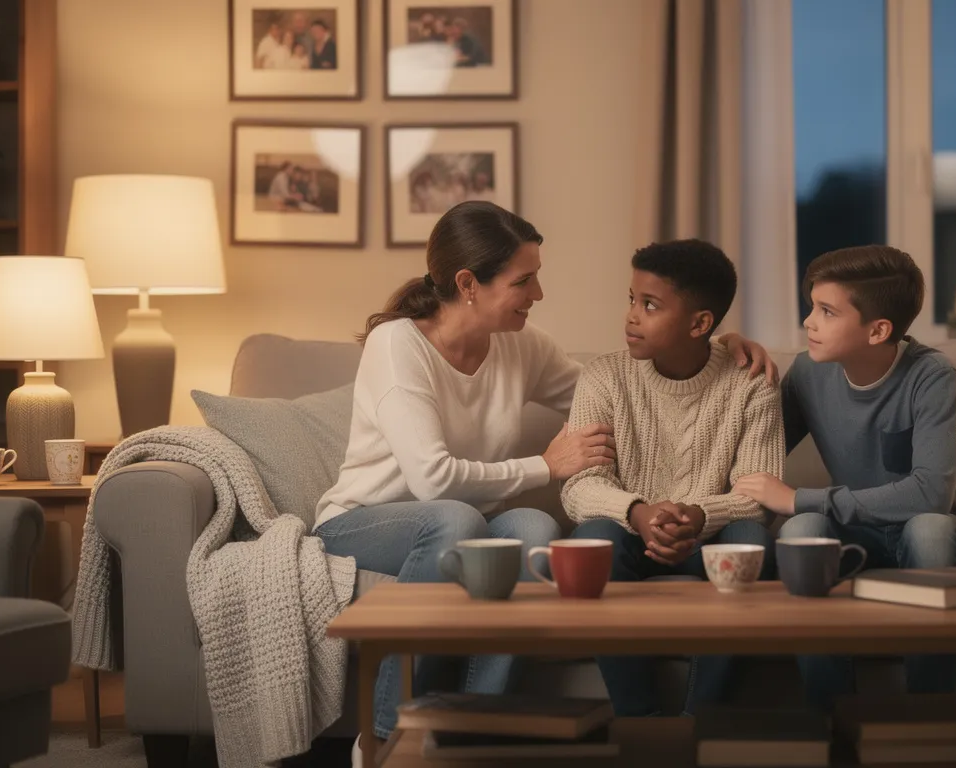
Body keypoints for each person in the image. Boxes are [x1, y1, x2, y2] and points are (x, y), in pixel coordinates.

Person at [312, 202, 778, 760]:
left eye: (536, 276)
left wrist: (716, 346)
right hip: (364, 521)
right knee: (454, 519)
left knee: (534, 528)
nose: (538, 293)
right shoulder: (397, 345)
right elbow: (432, 481)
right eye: (523, 281)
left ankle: (470, 724)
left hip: (463, 521)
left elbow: (625, 388)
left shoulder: (521, 343)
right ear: (468, 284)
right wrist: (547, 466)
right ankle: (387, 735)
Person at [732, 245, 956, 710]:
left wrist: (801, 498)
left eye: (827, 311)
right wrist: (721, 353)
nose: (808, 322)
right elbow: (752, 448)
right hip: (861, 532)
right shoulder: (808, 372)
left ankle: (930, 714)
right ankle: (831, 711)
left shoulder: (933, 376)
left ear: (878, 330)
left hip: (944, 531)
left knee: (927, 529)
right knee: (801, 530)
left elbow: (931, 495)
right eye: (812, 306)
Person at [562, 239, 784, 717]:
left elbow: (760, 495)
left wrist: (699, 514)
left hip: (706, 541)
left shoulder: (752, 383)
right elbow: (579, 487)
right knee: (592, 539)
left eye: (650, 305)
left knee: (751, 540)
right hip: (628, 536)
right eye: (631, 299)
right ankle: (638, 719)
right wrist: (638, 513)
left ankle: (699, 720)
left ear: (700, 324)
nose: (631, 316)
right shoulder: (603, 376)